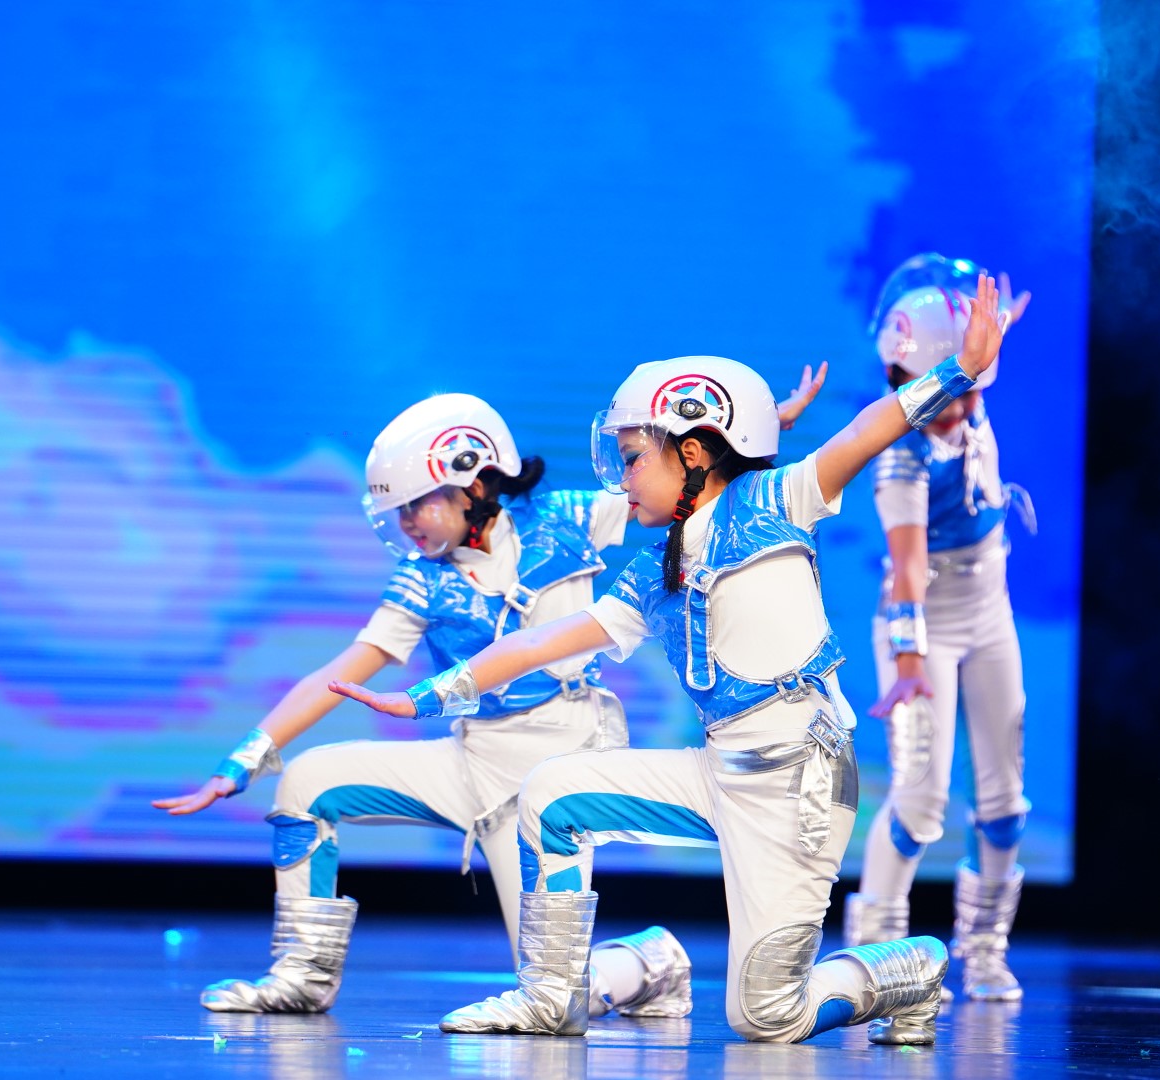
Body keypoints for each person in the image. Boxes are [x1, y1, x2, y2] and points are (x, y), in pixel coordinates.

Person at [329, 272, 1010, 1045]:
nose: (621, 480)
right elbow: (540, 641)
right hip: (718, 770)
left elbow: (863, 433)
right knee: (550, 793)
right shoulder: (656, 570)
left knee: (768, 1016)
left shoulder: (779, 499)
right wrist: (430, 695)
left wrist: (958, 370)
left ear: (692, 452)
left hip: (799, 784)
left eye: (631, 459)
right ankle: (551, 997)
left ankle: (913, 969)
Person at [151, 393, 698, 1017]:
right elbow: (337, 673)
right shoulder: (421, 577)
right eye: (397, 510)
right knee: (307, 783)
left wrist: (738, 433)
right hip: (471, 757)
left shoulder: (567, 518)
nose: (408, 522)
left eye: (418, 503)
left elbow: (677, 492)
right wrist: (242, 761)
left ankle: (653, 961)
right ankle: (301, 977)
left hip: (554, 772)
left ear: (475, 481)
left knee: (556, 994)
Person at [841, 253, 1035, 1003]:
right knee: (920, 800)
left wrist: (994, 329)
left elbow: (973, 369)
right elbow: (908, 569)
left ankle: (984, 949)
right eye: (956, 383)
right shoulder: (902, 455)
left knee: (1005, 803)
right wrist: (910, 662)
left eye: (975, 383)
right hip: (923, 626)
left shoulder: (967, 400)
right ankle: (873, 956)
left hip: (991, 613)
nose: (967, 401)